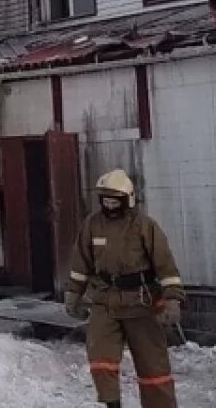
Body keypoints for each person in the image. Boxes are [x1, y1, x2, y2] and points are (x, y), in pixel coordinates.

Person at [64, 169, 184, 408]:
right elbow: (80, 264)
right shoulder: (92, 225)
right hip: (105, 302)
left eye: (114, 200)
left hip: (141, 303)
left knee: (153, 367)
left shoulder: (145, 226)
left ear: (127, 199)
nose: (109, 204)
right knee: (101, 360)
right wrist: (72, 295)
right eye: (105, 200)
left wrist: (172, 299)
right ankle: (112, 405)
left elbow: (165, 265)